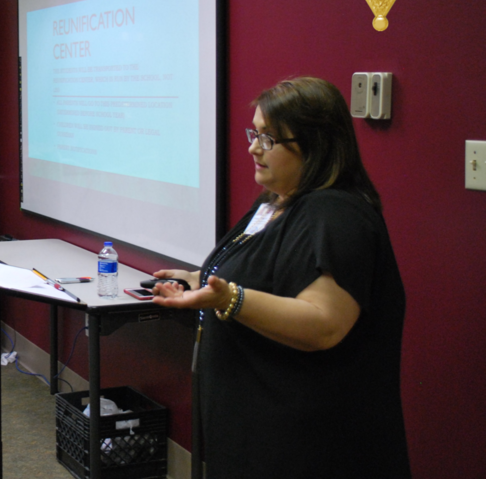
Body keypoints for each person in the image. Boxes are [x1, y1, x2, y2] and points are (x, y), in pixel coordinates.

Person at [151, 77, 410, 479]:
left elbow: (323, 324)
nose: (254, 147)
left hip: (310, 448)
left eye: (269, 139)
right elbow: (269, 273)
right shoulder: (279, 202)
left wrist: (227, 299)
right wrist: (200, 277)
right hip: (253, 435)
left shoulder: (337, 216)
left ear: (316, 144)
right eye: (255, 133)